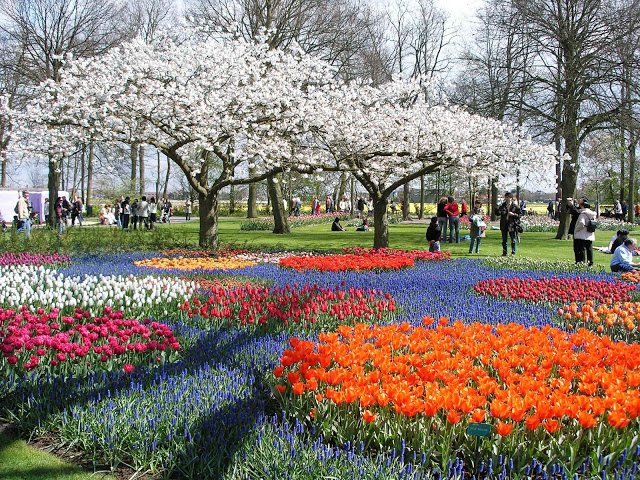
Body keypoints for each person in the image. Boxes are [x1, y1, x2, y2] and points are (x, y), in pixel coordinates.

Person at [498, 191, 522, 256]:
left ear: (511, 198)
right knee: (504, 240)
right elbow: (498, 213)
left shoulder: (515, 206)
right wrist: (497, 209)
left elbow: (520, 215)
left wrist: (513, 214)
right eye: (505, 197)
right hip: (504, 224)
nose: (506, 198)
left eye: (508, 197)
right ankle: (505, 252)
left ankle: (513, 252)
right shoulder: (503, 205)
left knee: (513, 239)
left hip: (512, 224)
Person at [573, 201, 596, 266]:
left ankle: (582, 262)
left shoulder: (583, 214)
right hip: (590, 234)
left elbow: (581, 223)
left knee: (582, 249)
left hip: (582, 234)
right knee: (589, 249)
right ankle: (590, 262)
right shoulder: (592, 214)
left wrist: (577, 229)